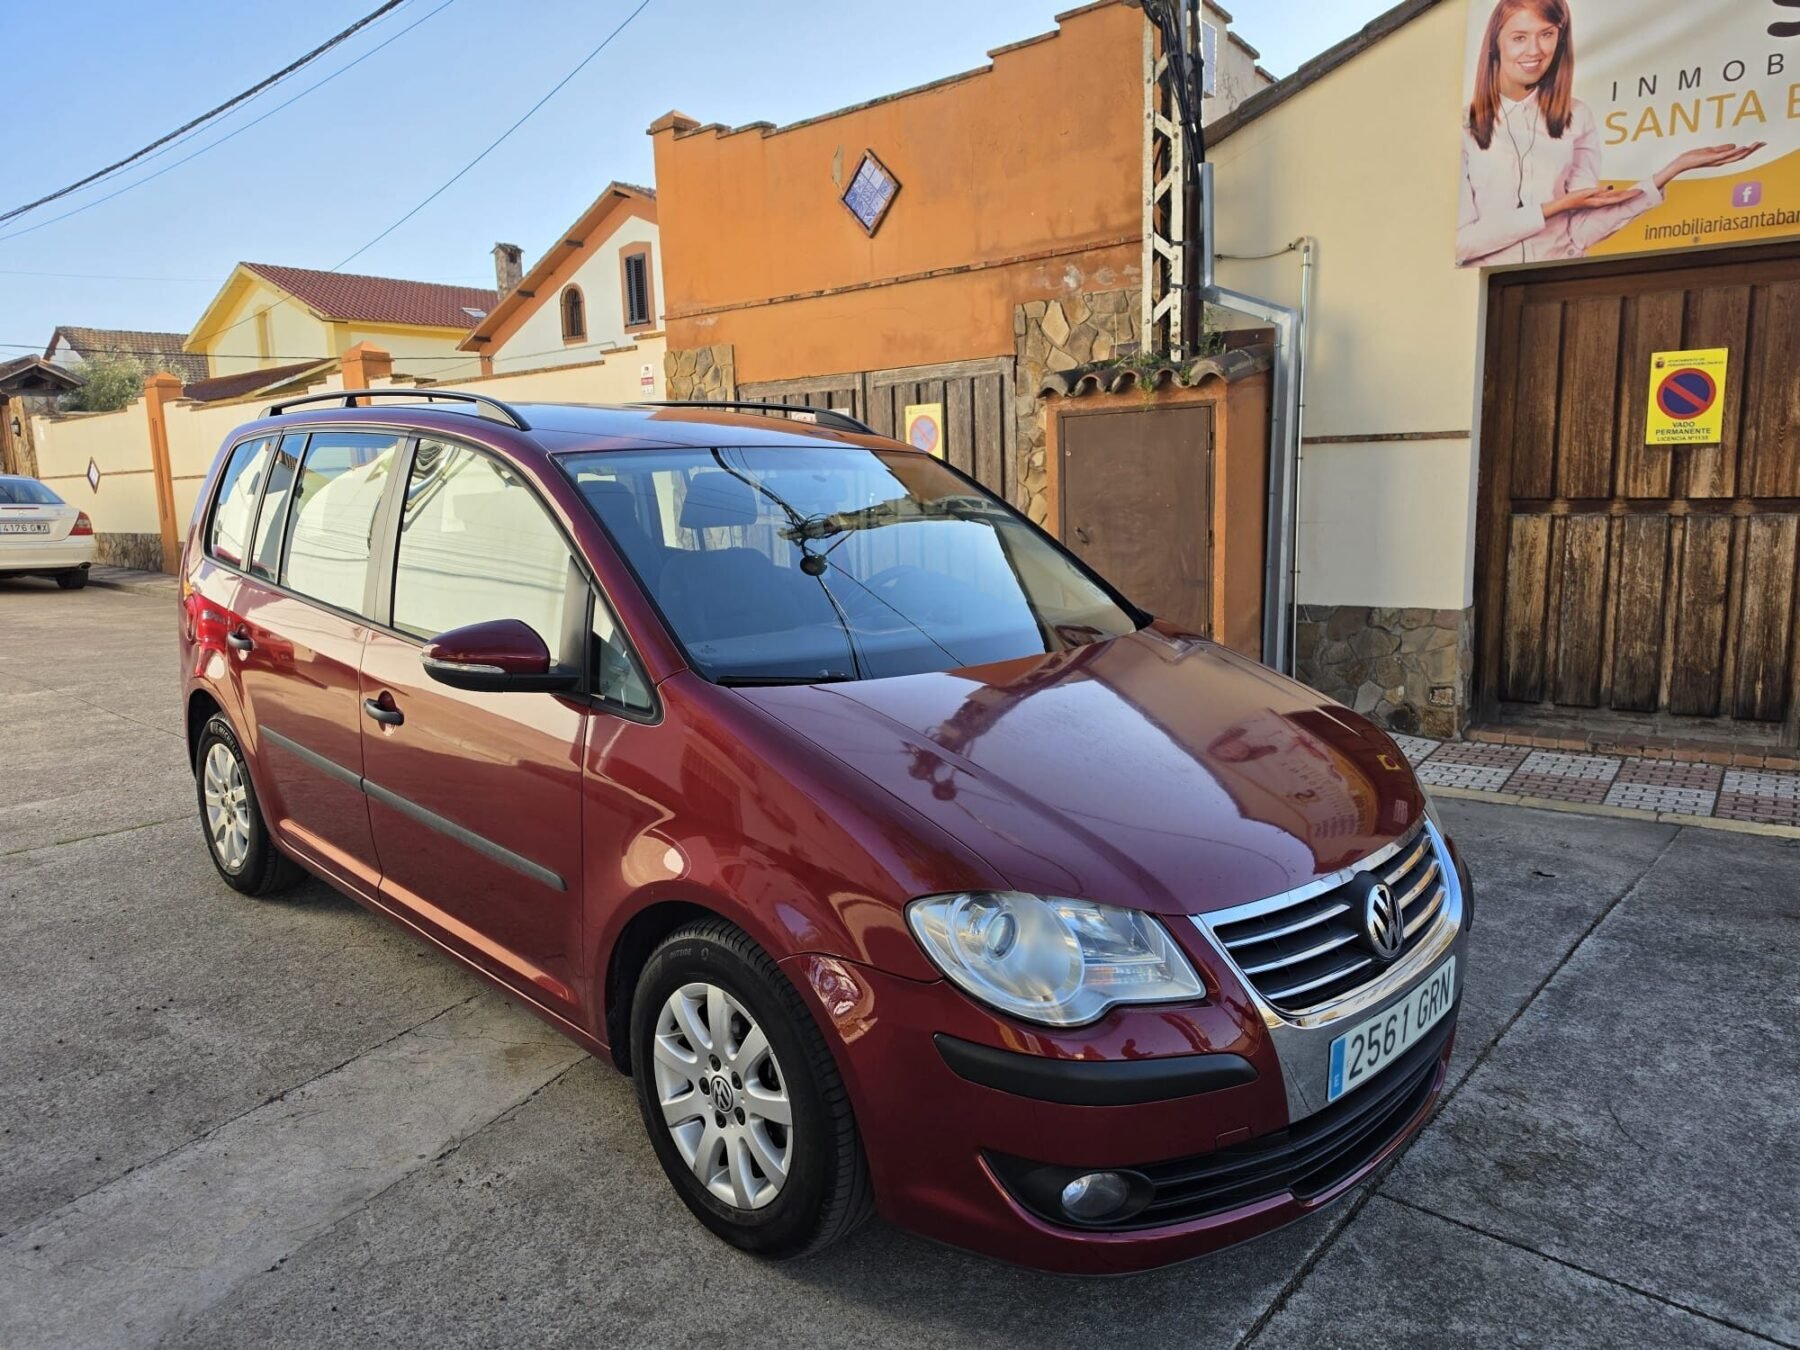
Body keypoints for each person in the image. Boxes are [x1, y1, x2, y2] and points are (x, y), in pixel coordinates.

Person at [1458, 0, 1764, 266]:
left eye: (1547, 34)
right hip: (1494, 285)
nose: (1535, 50)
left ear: (1560, 39)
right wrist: (1555, 207)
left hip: (1562, 277)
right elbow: (1462, 244)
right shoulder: (1464, 125)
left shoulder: (1577, 115)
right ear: (1495, 44)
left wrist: (1671, 171)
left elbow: (1580, 233)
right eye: (1519, 38)